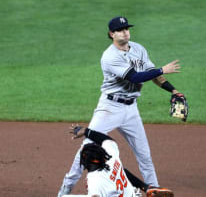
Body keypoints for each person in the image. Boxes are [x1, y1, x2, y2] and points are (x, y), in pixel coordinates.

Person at [58, 16, 184, 196]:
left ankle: (153, 189)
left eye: (126, 28)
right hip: (110, 107)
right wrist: (163, 69)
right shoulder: (110, 56)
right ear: (111, 34)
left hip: (131, 109)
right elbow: (135, 77)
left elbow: (151, 74)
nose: (125, 32)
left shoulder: (138, 49)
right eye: (120, 30)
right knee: (87, 148)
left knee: (144, 154)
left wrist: (173, 90)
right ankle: (66, 188)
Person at [63, 125, 173, 197]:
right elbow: (107, 140)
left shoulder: (94, 181)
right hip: (131, 195)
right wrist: (87, 131)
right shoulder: (111, 158)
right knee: (121, 170)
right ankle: (146, 187)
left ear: (85, 162)